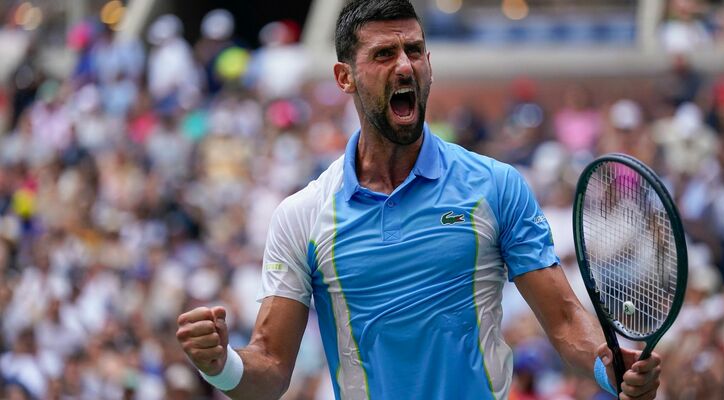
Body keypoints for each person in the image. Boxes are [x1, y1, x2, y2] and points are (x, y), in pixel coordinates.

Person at [175, 1, 662, 399]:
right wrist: (222, 366)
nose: (405, 64)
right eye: (385, 54)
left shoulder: (496, 186)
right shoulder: (302, 215)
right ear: (345, 77)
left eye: (415, 50)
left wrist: (611, 368)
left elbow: (564, 321)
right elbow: (272, 368)